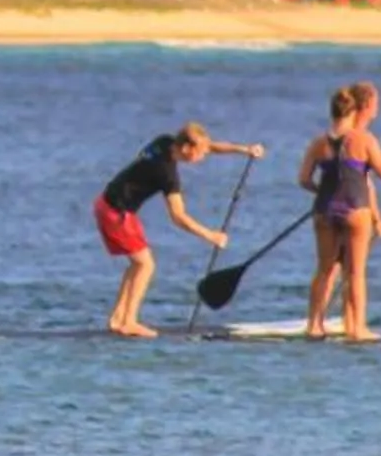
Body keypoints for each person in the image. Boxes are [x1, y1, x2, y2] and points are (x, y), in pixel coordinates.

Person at [95, 123, 263, 337]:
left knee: (137, 264)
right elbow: (179, 217)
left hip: (108, 204)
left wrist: (244, 150)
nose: (203, 157)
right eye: (199, 153)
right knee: (145, 265)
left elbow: (211, 146)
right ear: (186, 149)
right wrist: (211, 235)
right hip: (115, 213)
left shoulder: (165, 141)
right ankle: (128, 321)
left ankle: (118, 318)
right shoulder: (167, 173)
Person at [300, 80, 381, 341]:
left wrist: (325, 192)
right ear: (357, 109)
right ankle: (357, 329)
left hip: (324, 210)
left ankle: (313, 326)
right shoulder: (364, 139)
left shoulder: (317, 143)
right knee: (355, 272)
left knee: (324, 269)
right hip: (355, 210)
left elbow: (303, 180)